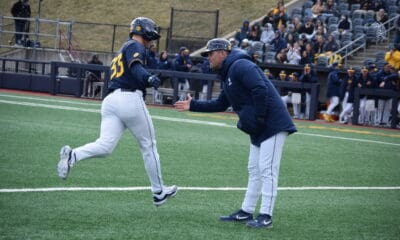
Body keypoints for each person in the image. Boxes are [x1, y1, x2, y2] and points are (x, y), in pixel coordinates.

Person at [174, 38, 297, 229]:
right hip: (259, 127)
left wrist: (259, 118)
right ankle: (246, 211)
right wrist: (193, 105)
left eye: (210, 54)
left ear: (223, 52)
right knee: (254, 170)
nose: (208, 58)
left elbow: (260, 88)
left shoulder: (240, 65)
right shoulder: (228, 72)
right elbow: (221, 104)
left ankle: (266, 216)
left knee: (267, 170)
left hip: (272, 124)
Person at [57, 17, 177, 206]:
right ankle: (158, 191)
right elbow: (136, 68)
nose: (152, 39)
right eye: (150, 34)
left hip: (111, 100)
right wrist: (148, 79)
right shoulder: (134, 46)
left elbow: (132, 68)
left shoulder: (123, 48)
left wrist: (146, 77)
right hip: (129, 99)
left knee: (105, 146)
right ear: (143, 31)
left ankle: (73, 155)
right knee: (149, 146)